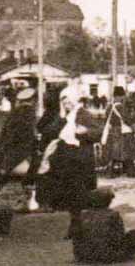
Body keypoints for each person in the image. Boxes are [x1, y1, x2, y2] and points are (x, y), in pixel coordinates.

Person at [39, 92, 101, 238]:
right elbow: (48, 132)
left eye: (68, 102)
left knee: (79, 194)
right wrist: (61, 118)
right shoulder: (64, 117)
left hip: (79, 159)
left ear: (74, 100)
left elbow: (98, 132)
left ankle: (81, 227)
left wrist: (85, 132)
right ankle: (76, 226)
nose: (67, 105)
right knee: (70, 195)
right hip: (65, 159)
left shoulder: (84, 114)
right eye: (64, 103)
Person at [0, 87, 39, 205]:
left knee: (5, 176)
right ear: (33, 100)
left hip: (12, 149)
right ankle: (31, 201)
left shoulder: (15, 112)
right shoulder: (28, 113)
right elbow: (26, 134)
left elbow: (7, 132)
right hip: (22, 150)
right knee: (29, 174)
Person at [72, 188, 135, 264]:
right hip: (108, 256)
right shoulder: (113, 215)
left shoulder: (82, 215)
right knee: (134, 234)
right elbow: (118, 238)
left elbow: (75, 237)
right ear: (108, 201)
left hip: (84, 256)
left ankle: (87, 254)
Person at [103, 87, 135, 178]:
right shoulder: (121, 107)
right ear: (120, 96)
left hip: (112, 131)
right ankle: (130, 172)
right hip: (122, 132)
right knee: (128, 151)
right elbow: (127, 120)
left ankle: (109, 172)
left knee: (113, 153)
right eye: (123, 96)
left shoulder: (109, 106)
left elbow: (107, 118)